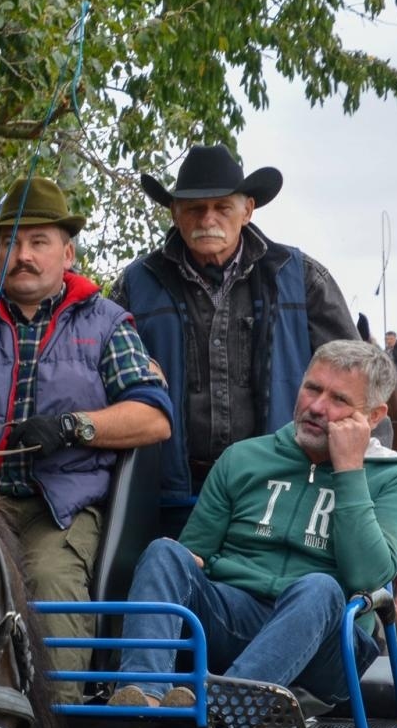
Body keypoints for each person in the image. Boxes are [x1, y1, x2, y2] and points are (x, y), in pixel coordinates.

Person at [0, 176, 172, 702]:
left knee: (48, 581)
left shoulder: (108, 323)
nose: (21, 254)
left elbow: (153, 416)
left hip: (62, 510)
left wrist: (75, 426)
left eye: (37, 242)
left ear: (67, 253)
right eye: (9, 242)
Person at [110, 340, 397, 708]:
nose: (317, 407)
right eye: (312, 388)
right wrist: (183, 565)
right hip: (236, 617)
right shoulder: (244, 458)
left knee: (320, 587)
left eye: (339, 399)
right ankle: (142, 699)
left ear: (372, 417)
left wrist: (349, 471)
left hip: (330, 645)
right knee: (165, 551)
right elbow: (193, 554)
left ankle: (224, 715)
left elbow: (366, 578)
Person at [112, 145, 359, 521]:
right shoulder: (136, 283)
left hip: (282, 489)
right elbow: (102, 371)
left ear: (247, 211)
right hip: (167, 495)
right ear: (175, 214)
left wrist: (365, 465)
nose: (208, 218)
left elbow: (356, 376)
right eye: (195, 207)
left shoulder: (299, 276)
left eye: (222, 207)